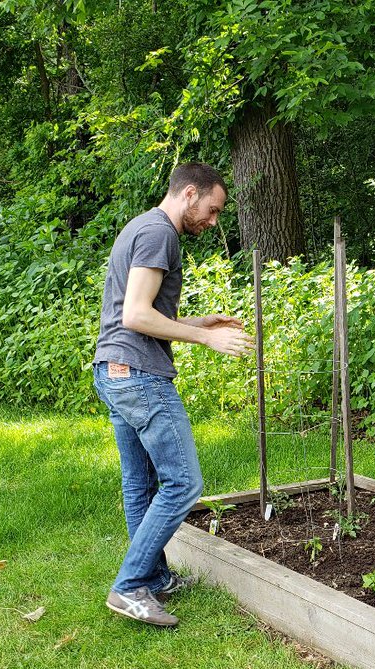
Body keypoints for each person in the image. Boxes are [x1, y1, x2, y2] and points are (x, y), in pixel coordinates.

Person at [93, 162, 251, 627]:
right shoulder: (160, 233)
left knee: (140, 485)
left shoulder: (141, 227)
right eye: (212, 209)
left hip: (116, 370)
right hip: (139, 376)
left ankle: (152, 579)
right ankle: (128, 587)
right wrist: (206, 339)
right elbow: (136, 316)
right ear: (189, 194)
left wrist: (198, 322)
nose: (213, 221)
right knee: (183, 483)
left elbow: (138, 312)